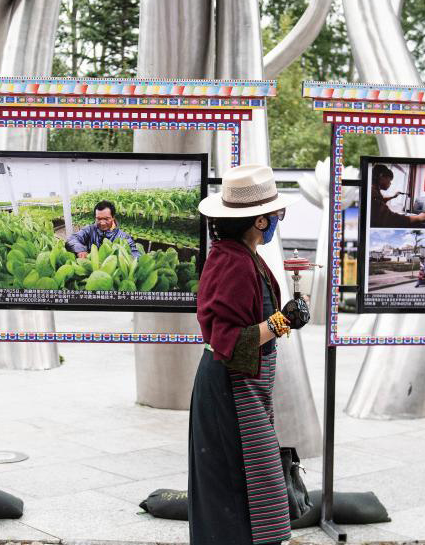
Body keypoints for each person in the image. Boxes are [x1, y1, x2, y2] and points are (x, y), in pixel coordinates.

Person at [189, 164, 309, 545]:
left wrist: (286, 319)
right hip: (231, 390)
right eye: (276, 214)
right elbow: (227, 340)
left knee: (251, 483)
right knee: (242, 486)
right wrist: (281, 321)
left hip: (241, 387)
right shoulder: (233, 261)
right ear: (259, 220)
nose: (278, 219)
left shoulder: (242, 254)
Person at [65, 200, 140, 259]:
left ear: (113, 217)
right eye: (99, 219)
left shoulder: (123, 237)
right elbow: (72, 239)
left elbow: (135, 255)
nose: (102, 223)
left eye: (106, 219)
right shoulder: (89, 230)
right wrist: (80, 250)